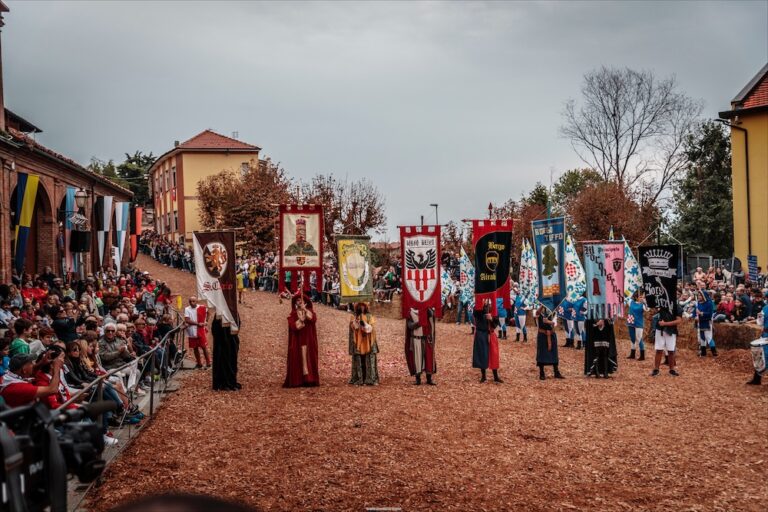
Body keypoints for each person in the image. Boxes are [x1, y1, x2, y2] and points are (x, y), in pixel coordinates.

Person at [0, 353, 64, 408]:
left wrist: (42, 362)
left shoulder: (8, 376)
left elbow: (28, 372)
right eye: (31, 363)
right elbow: (53, 389)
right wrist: (57, 368)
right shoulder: (19, 388)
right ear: (24, 369)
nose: (33, 365)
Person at [284, 293, 319, 387]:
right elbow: (293, 326)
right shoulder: (293, 314)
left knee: (308, 357)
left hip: (308, 339)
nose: (300, 302)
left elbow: (313, 319)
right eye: (298, 300)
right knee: (297, 357)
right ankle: (298, 380)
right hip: (298, 340)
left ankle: (309, 379)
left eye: (301, 300)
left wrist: (305, 311)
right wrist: (300, 321)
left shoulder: (310, 311)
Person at [348, 303, 379, 386]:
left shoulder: (370, 316)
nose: (361, 308)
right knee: (359, 358)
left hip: (368, 341)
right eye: (359, 306)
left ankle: (370, 379)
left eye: (363, 306)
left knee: (368, 358)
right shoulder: (353, 316)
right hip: (358, 341)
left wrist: (365, 326)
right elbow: (353, 327)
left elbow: (372, 328)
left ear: (366, 307)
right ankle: (359, 378)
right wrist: (356, 324)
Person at [472, 300, 502, 383]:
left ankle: (495, 376)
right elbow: (475, 314)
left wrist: (491, 318)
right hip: (481, 333)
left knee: (494, 355)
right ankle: (483, 376)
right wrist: (482, 306)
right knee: (482, 354)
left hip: (490, 333)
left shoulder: (493, 308)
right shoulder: (477, 307)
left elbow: (496, 322)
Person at [405, 307, 436, 385]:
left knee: (429, 359)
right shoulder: (410, 312)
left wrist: (427, 307)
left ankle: (429, 378)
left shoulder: (427, 310)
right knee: (417, 359)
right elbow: (410, 326)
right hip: (416, 338)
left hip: (427, 338)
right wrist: (419, 323)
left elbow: (432, 315)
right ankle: (417, 379)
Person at [651, 303, 683, 377]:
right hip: (660, 329)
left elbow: (679, 321)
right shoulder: (662, 303)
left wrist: (665, 324)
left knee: (671, 351)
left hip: (671, 331)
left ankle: (672, 370)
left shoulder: (677, 306)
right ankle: (656, 369)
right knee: (659, 350)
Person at [211, 314, 241, 391]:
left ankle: (230, 382)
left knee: (231, 361)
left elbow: (237, 325)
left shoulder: (233, 313)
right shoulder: (218, 315)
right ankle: (222, 383)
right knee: (221, 361)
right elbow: (214, 329)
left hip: (231, 342)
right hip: (221, 344)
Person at [535, 305, 563, 380]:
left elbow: (555, 323)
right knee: (542, 352)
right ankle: (541, 372)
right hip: (542, 334)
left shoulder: (553, 311)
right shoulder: (539, 309)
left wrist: (549, 321)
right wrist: (542, 305)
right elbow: (537, 313)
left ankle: (556, 371)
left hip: (551, 333)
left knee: (554, 352)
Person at [747, 289, 768, 385]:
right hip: (765, 335)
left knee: (761, 355)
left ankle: (757, 379)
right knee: (761, 355)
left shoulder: (765, 309)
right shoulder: (765, 309)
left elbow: (760, 322)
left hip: (766, 335)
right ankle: (757, 379)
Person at [184, 297, 211, 369]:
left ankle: (208, 363)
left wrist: (206, 321)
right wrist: (197, 323)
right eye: (190, 301)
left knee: (203, 347)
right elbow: (187, 320)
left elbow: (208, 312)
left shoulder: (202, 307)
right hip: (192, 331)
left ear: (196, 301)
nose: (192, 303)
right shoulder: (187, 309)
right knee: (195, 348)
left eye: (193, 301)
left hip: (200, 330)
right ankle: (199, 363)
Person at [695, 286, 717, 357]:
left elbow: (710, 314)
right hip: (700, 322)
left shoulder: (709, 303)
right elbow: (695, 312)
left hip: (707, 322)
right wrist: (695, 316)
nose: (698, 297)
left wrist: (701, 313)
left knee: (708, 337)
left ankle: (714, 352)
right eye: (698, 295)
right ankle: (703, 352)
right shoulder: (698, 303)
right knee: (701, 337)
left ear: (703, 296)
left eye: (700, 295)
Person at [626, 291, 648, 360]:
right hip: (631, 322)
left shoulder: (643, 305)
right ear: (636, 297)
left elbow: (647, 309)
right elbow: (626, 296)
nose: (641, 298)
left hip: (639, 323)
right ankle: (632, 354)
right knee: (632, 338)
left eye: (642, 297)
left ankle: (642, 355)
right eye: (640, 297)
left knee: (639, 338)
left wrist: (644, 302)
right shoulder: (630, 302)